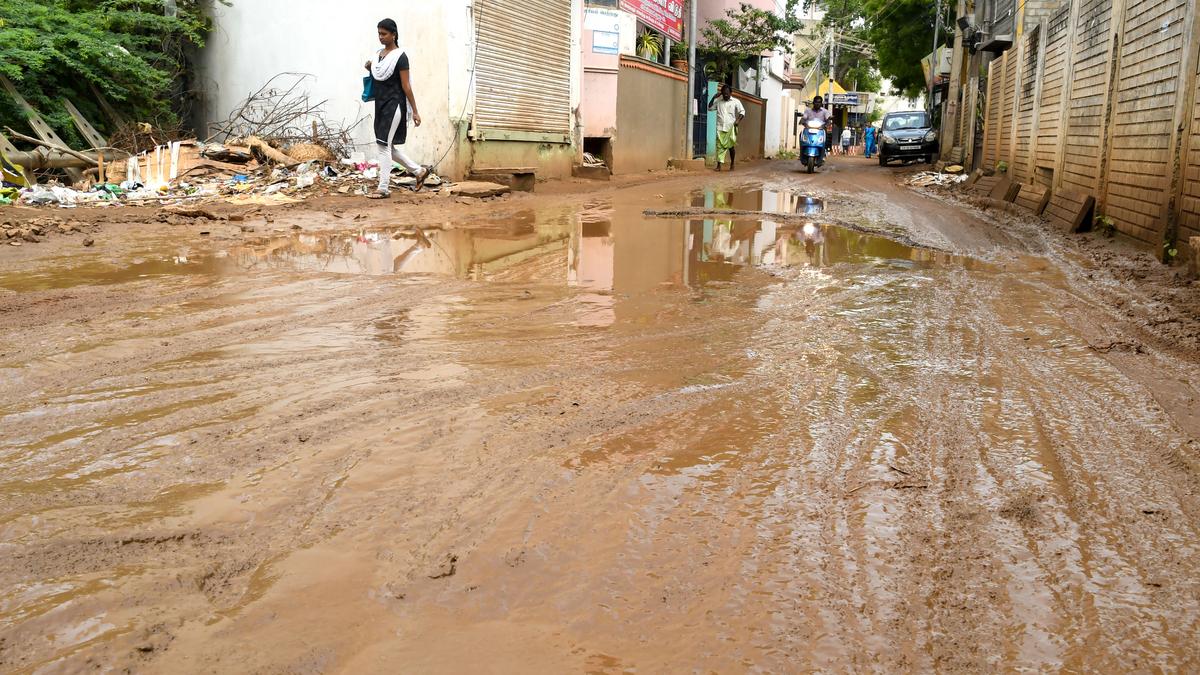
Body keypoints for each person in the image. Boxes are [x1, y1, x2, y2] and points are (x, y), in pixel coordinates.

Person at [366, 18, 430, 199]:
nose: (381, 37)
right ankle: (419, 171)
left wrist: (415, 111)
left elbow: (406, 86)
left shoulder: (400, 57)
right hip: (381, 104)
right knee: (387, 146)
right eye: (379, 33)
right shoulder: (378, 56)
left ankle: (383, 187)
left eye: (384, 34)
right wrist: (370, 67)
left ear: (394, 34)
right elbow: (378, 74)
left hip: (395, 105)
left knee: (383, 146)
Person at [708, 84, 745, 171]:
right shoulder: (718, 101)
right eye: (724, 94)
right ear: (721, 93)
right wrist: (713, 97)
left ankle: (732, 164)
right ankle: (719, 166)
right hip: (720, 127)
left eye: (727, 94)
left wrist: (738, 121)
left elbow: (742, 111)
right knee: (719, 147)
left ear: (730, 93)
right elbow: (709, 108)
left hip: (730, 128)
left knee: (731, 147)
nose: (725, 95)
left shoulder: (736, 101)